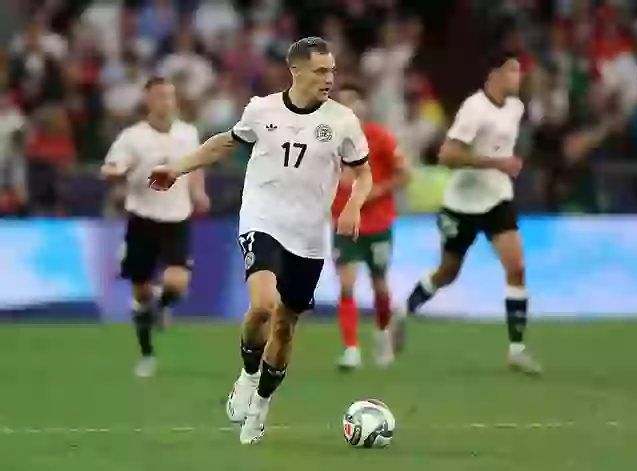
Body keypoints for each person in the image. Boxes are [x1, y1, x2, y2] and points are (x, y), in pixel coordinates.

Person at [148, 37, 372, 445]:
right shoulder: (261, 109)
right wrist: (177, 169)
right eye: (321, 71)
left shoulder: (343, 121)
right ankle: (248, 376)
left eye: (332, 71)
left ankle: (261, 407)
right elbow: (224, 142)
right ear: (296, 71)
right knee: (263, 307)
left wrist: (354, 205)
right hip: (262, 219)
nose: (329, 78)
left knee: (284, 328)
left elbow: (364, 173)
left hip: (309, 235)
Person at [393, 50, 542, 375]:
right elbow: (447, 155)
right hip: (462, 204)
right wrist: (495, 163)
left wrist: (502, 166)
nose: (518, 78)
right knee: (448, 272)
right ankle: (403, 311)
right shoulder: (474, 109)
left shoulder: (515, 107)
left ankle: (517, 349)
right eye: (512, 71)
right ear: (494, 74)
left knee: (516, 267)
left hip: (497, 198)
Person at [101, 76, 210, 378]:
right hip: (142, 219)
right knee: (141, 292)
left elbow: (195, 166)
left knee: (177, 283)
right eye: (160, 96)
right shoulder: (132, 137)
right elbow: (109, 169)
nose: (166, 101)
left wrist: (199, 192)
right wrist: (118, 173)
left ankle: (161, 309)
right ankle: (147, 354)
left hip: (176, 217)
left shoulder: (188, 133)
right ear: (148, 100)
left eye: (170, 96)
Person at [331, 83, 410, 370]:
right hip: (345, 222)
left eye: (352, 101)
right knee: (346, 284)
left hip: (378, 223)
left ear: (362, 106)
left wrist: (376, 191)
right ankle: (350, 349)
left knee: (379, 284)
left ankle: (383, 334)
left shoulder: (380, 137)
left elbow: (405, 174)